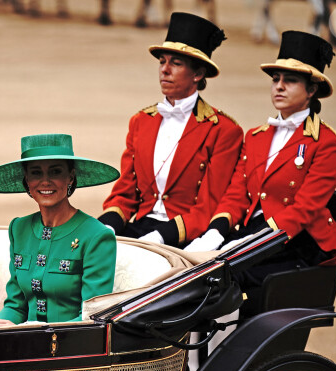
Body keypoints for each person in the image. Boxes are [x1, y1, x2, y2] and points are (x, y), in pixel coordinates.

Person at [186, 31, 336, 290]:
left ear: (312, 90)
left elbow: (304, 209)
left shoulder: (328, 143)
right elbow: (238, 192)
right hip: (255, 231)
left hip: (297, 240)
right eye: (275, 79)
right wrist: (215, 231)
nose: (279, 86)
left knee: (224, 281)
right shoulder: (256, 136)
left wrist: (250, 242)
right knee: (190, 267)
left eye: (290, 81)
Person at [98, 12, 244, 248]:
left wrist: (160, 236)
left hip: (188, 236)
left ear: (198, 74)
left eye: (175, 63)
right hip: (141, 227)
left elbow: (208, 206)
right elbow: (124, 193)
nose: (164, 70)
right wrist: (107, 227)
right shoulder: (141, 121)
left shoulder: (224, 130)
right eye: (162, 61)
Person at [0, 134, 120, 326]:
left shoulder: (97, 236)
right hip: (23, 343)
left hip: (73, 348)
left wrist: (32, 330)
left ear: (71, 177)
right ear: (26, 179)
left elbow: (92, 318)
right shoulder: (19, 229)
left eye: (55, 172)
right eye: (36, 173)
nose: (45, 182)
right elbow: (16, 306)